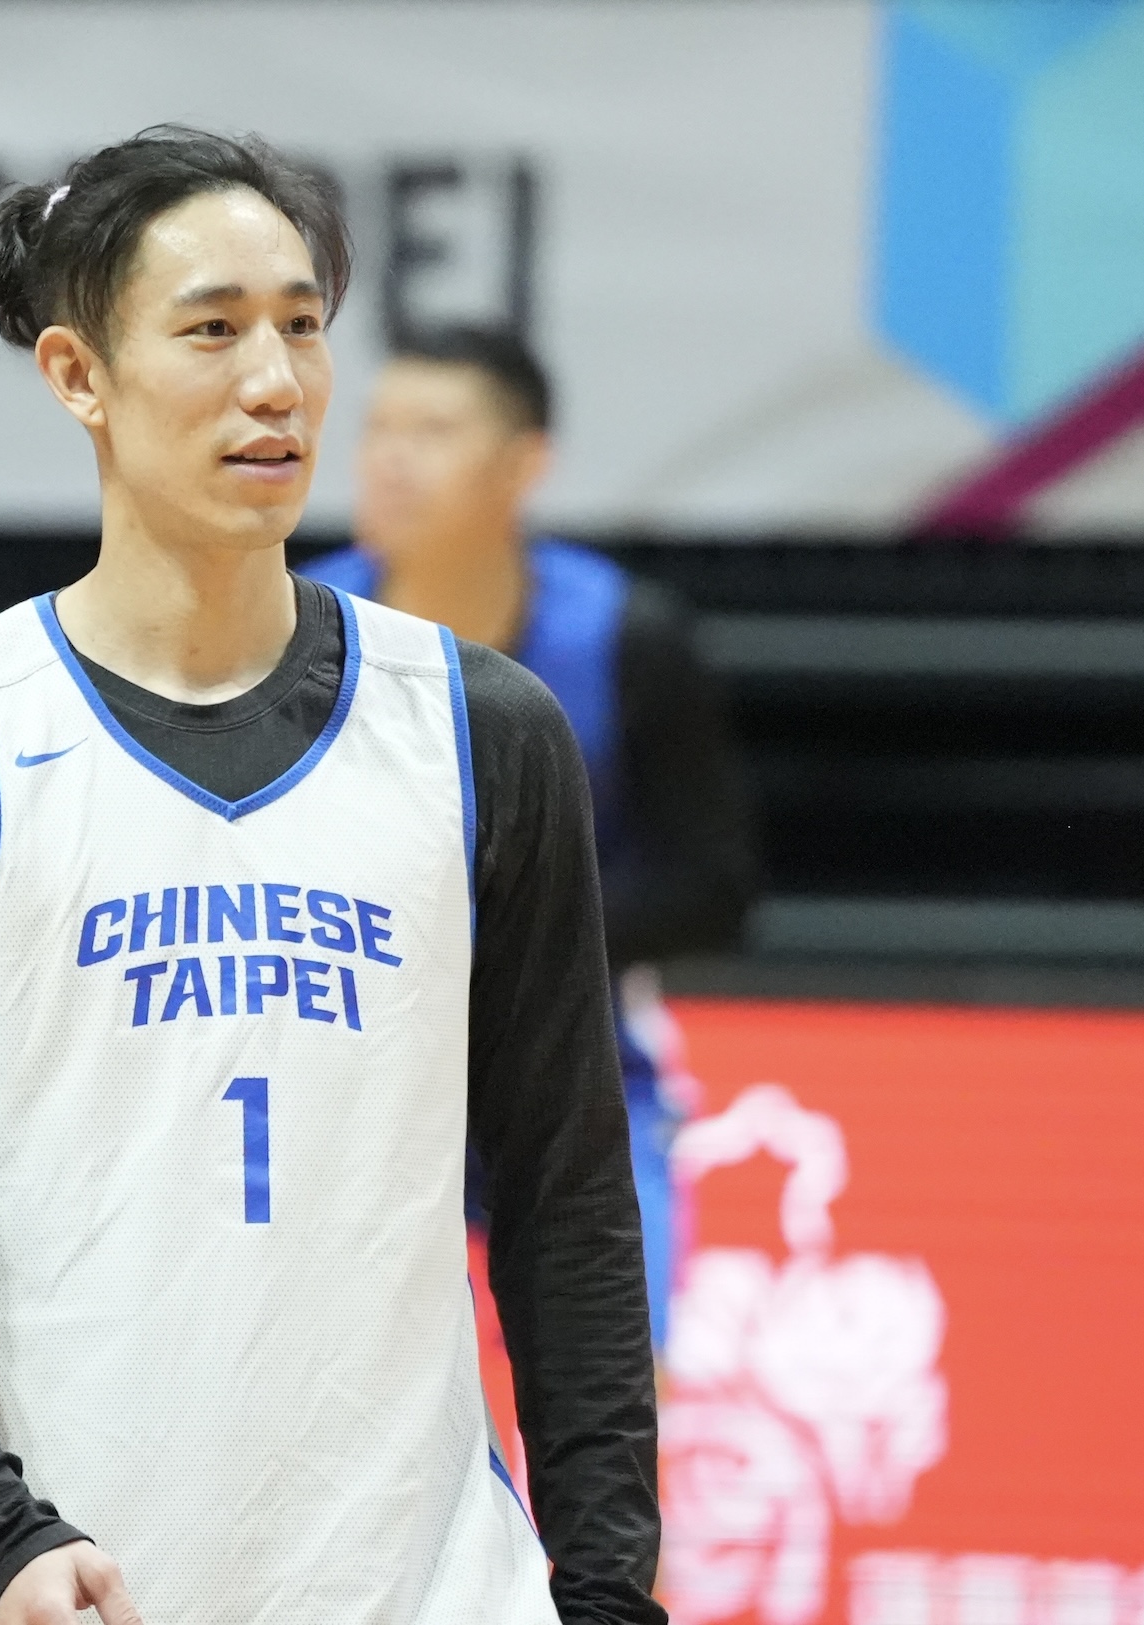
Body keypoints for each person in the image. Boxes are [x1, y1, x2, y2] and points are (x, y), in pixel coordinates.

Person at [0, 128, 662, 1625]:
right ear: (77, 375)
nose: (275, 380)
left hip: (429, 1589)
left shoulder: (481, 731)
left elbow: (566, 1204)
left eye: (301, 325)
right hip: (67, 1591)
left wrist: (609, 1593)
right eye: (212, 331)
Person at [301, 328, 758, 1393]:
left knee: (613, 1422)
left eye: (433, 430)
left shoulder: (625, 636)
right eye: (377, 428)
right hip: (346, 1086)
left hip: (568, 1076)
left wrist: (509, 934)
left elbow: (715, 891)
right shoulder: (288, 629)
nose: (390, 457)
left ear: (523, 464)